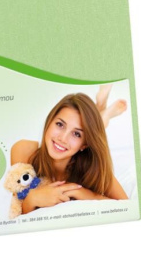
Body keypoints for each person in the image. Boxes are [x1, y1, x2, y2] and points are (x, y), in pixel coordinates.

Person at [11, 86, 128, 214]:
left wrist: (82, 193)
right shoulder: (24, 150)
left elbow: (126, 206)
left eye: (76, 134)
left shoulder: (92, 166)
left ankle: (102, 113)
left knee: (93, 130)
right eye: (60, 124)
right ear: (49, 121)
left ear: (84, 145)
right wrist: (33, 198)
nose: (63, 138)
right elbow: (18, 208)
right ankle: (102, 114)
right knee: (93, 125)